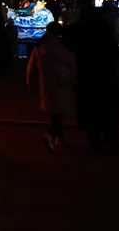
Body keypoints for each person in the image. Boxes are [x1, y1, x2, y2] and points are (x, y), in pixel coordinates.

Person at [64, 5, 119, 150]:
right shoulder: (103, 30)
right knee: (108, 108)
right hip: (105, 75)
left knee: (90, 109)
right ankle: (110, 138)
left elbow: (68, 46)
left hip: (86, 75)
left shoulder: (77, 30)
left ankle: (94, 139)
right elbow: (114, 51)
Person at [26, 21, 77, 152]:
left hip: (46, 84)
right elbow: (73, 66)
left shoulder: (39, 48)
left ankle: (57, 138)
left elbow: (31, 69)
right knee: (59, 113)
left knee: (53, 114)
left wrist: (30, 84)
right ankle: (52, 135)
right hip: (62, 84)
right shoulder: (65, 48)